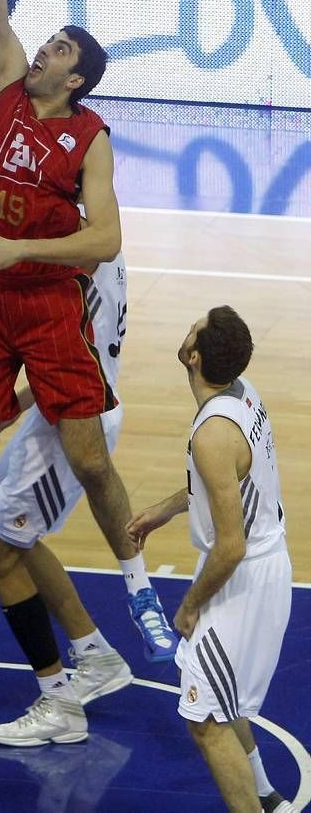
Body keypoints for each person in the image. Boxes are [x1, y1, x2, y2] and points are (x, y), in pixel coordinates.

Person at [0, 0, 178, 679]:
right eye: (44, 42)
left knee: (88, 458)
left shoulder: (91, 137)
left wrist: (22, 248)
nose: (40, 50)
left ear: (79, 80)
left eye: (58, 50)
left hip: (41, 299)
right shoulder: (1, 78)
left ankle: (140, 587)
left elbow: (104, 240)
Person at [128, 307, 295, 813]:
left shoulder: (212, 434)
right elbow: (223, 486)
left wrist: (189, 605)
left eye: (192, 328)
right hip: (247, 562)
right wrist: (163, 510)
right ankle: (265, 795)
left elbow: (230, 545)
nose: (186, 329)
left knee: (205, 717)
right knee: (219, 697)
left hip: (240, 578)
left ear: (193, 356)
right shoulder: (243, 394)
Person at [0, 251, 135, 747]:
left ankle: (64, 698)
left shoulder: (70, 255)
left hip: (75, 419)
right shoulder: (100, 242)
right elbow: (68, 345)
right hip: (65, 404)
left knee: (0, 551)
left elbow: (45, 334)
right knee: (11, 541)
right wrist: (20, 403)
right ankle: (93, 654)